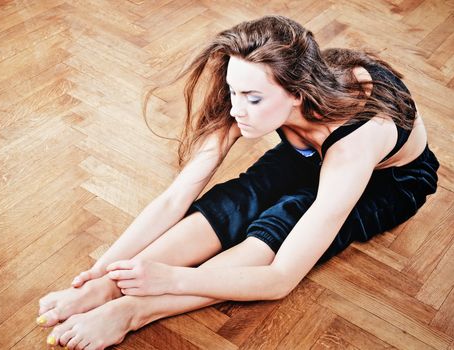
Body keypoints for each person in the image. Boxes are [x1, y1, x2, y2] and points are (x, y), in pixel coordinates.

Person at [36, 15, 439, 349]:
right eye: (234, 91)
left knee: (285, 217)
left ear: (297, 94)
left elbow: (280, 279)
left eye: (252, 98)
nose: (236, 109)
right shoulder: (258, 93)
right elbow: (176, 196)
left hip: (389, 181)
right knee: (240, 196)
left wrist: (169, 280)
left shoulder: (356, 144)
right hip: (308, 146)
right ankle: (110, 291)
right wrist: (103, 273)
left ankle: (131, 311)